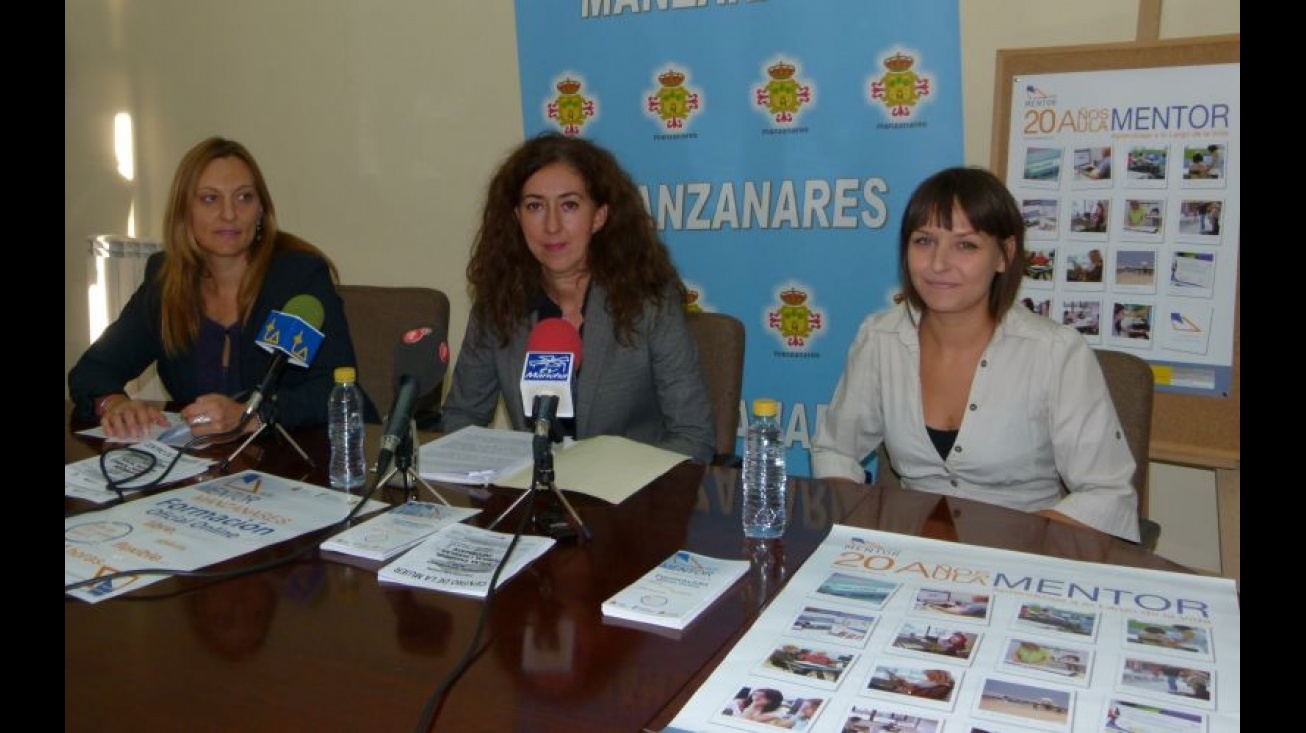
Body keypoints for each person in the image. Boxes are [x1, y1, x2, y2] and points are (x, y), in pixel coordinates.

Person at [810, 166, 1140, 542]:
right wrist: (864, 526)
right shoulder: (880, 337)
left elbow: (1108, 495)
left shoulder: (1055, 353)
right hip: (908, 554)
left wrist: (1006, 543)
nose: (938, 264)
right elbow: (835, 451)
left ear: (1004, 255)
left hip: (1024, 557)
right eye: (923, 241)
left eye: (965, 245)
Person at [68, 137, 375, 438]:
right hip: (207, 467)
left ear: (260, 212)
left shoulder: (298, 279)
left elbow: (336, 389)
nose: (229, 214)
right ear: (184, 213)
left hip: (308, 461)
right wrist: (115, 403)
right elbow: (93, 371)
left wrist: (252, 416)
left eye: (244, 197)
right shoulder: (166, 280)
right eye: (209, 199)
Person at [439, 133, 714, 463]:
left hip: (629, 501)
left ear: (598, 216)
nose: (552, 226)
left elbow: (693, 438)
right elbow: (462, 419)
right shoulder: (501, 301)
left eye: (569, 205)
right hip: (532, 499)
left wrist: (613, 480)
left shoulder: (649, 303)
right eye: (535, 206)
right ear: (517, 217)